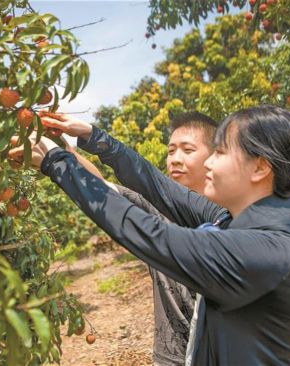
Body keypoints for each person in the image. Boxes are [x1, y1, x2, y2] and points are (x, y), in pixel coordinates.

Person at [9, 104, 290, 365]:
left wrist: (58, 163)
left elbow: (152, 234)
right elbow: (159, 187)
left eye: (221, 152)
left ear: (260, 168)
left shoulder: (263, 250)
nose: (210, 162)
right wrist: (94, 137)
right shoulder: (232, 221)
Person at [65, 111, 219, 365]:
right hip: (171, 357)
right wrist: (61, 150)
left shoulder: (230, 216)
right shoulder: (154, 209)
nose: (175, 159)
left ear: (216, 157)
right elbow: (101, 186)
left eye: (187, 150)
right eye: (171, 151)